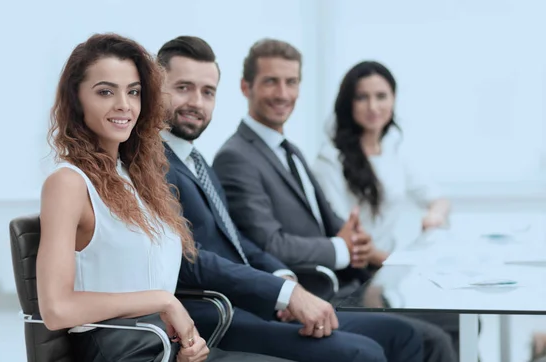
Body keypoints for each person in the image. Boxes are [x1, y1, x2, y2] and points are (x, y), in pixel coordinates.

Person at [158, 35, 424, 362]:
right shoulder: (156, 164)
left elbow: (237, 240)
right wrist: (283, 292)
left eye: (208, 92)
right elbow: (188, 259)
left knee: (404, 335)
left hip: (262, 298)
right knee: (364, 353)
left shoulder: (198, 161)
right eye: (184, 87)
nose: (197, 102)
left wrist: (283, 279)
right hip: (221, 314)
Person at [36, 32, 292, 362]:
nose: (123, 105)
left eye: (134, 92)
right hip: (121, 351)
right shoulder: (69, 183)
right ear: (76, 99)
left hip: (163, 347)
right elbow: (57, 309)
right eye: (105, 92)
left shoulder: (138, 178)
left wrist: (188, 340)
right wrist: (164, 301)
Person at [211, 38, 458, 362]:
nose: (283, 94)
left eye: (291, 82)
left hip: (346, 283)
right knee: (429, 338)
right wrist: (344, 247)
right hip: (313, 292)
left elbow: (332, 220)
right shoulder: (236, 157)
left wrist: (353, 237)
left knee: (452, 322)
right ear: (246, 87)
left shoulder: (290, 150)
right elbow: (269, 245)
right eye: (271, 81)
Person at [312, 61, 459, 357]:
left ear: (393, 99)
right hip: (357, 282)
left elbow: (438, 198)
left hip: (388, 277)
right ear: (347, 104)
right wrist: (401, 261)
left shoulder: (393, 152)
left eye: (381, 96)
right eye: (362, 97)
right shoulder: (331, 160)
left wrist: (434, 215)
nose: (373, 106)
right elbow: (347, 237)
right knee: (440, 332)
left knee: (460, 320)